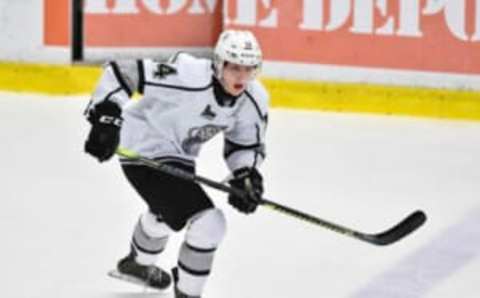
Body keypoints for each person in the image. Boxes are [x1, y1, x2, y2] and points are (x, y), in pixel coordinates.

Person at [83, 30, 269, 298]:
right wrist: (107, 118)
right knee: (210, 224)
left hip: (179, 155)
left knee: (168, 215)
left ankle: (137, 264)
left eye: (249, 69)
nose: (242, 76)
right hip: (142, 147)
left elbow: (244, 144)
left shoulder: (254, 98)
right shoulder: (189, 75)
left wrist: (245, 174)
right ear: (219, 64)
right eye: (235, 67)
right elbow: (122, 71)